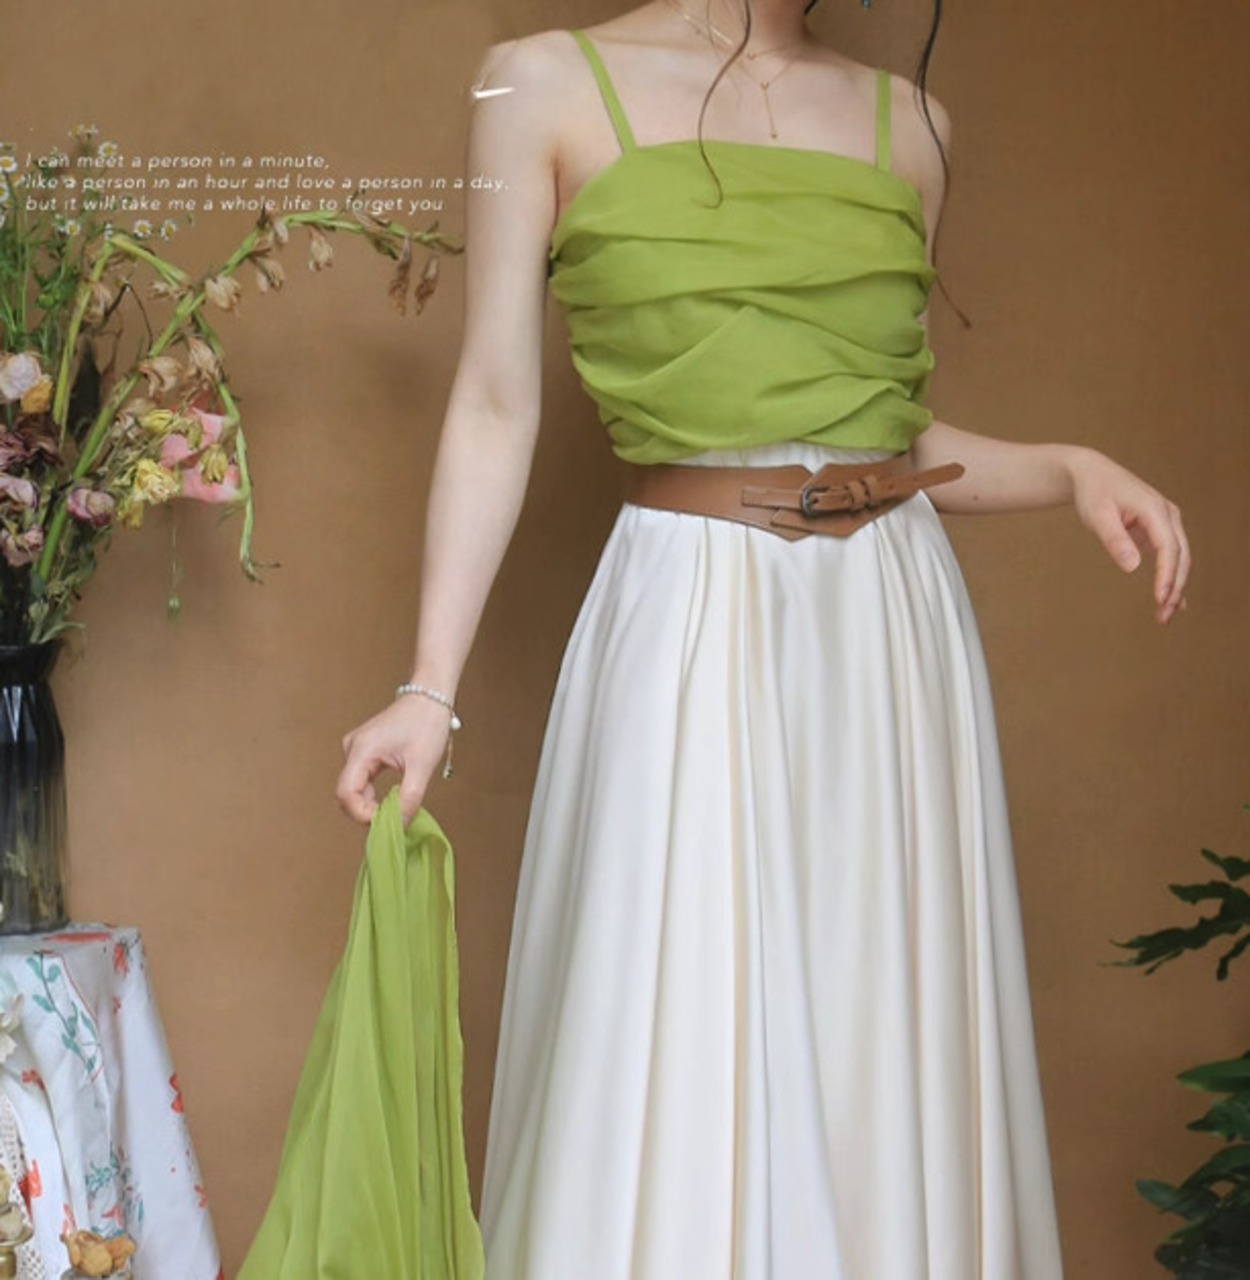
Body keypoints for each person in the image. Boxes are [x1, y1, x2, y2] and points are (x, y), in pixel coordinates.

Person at [335, 1, 1191, 1276]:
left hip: (889, 629)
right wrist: (428, 685)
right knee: (677, 1017)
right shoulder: (536, 85)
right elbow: (498, 399)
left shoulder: (915, 126)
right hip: (689, 607)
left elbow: (883, 432)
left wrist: (1069, 467)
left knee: (873, 1034)